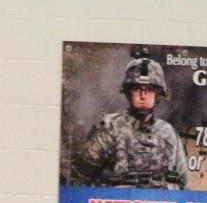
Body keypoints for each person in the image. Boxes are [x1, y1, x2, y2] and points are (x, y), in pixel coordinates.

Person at [73, 57, 187, 189]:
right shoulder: (110, 129)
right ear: (128, 92)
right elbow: (79, 180)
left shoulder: (168, 133)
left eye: (149, 90)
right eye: (137, 89)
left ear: (158, 94)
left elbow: (183, 182)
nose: (143, 95)